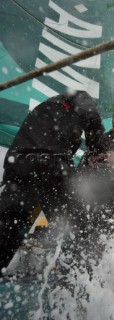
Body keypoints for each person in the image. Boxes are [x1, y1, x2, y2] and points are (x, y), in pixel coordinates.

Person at [0, 90, 104, 274]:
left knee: (7, 231)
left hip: (18, 168)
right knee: (80, 231)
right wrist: (98, 149)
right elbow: (92, 117)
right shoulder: (78, 98)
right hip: (50, 168)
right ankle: (82, 283)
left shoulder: (46, 110)